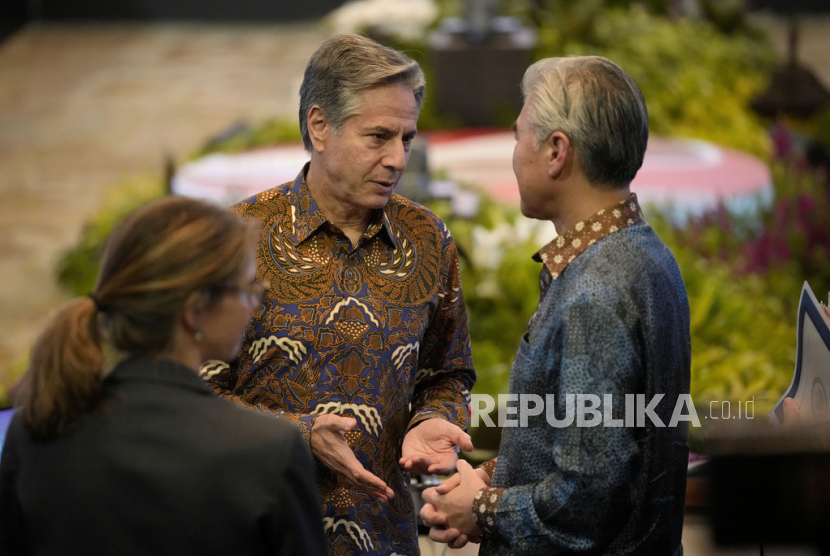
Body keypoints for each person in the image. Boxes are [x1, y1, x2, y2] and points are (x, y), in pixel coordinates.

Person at [200, 34, 476, 556]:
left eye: (407, 139)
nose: (398, 158)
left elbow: (448, 372)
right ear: (319, 126)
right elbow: (189, 397)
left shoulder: (428, 239)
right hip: (257, 532)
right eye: (378, 137)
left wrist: (435, 418)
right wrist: (297, 433)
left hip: (385, 538)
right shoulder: (238, 237)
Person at [421, 55, 692, 554]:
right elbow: (587, 447)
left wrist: (481, 510)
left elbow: (585, 501)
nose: (514, 153)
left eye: (519, 136)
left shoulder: (597, 291)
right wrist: (486, 484)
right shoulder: (648, 255)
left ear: (556, 152)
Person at [0, 196, 327, 556]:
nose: (255, 304)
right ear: (195, 310)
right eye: (248, 288)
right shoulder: (268, 451)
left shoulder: (37, 427)